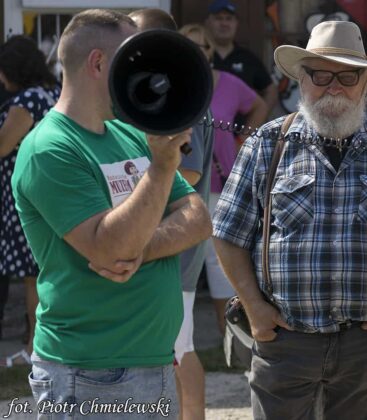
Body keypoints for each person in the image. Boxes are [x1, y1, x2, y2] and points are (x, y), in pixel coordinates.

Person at [212, 21, 367, 419]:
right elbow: (228, 235)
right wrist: (254, 308)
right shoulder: (267, 145)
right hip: (284, 341)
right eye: (320, 74)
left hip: (366, 346)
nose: (334, 86)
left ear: (366, 81)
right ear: (301, 78)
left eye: (348, 75)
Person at [12, 9, 212, 417]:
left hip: (153, 361)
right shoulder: (49, 148)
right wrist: (158, 169)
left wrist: (142, 245)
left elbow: (198, 217)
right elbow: (110, 247)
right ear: (99, 63)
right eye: (132, 58)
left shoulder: (129, 134)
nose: (146, 70)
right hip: (90, 374)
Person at [130, 10, 214, 420]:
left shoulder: (178, 90)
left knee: (178, 350)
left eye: (133, 37)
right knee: (180, 346)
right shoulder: (158, 88)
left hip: (174, 245)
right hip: (168, 240)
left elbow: (190, 167)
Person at [179, 23, 267, 336]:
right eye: (189, 45)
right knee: (188, 260)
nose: (197, 52)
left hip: (221, 182)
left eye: (202, 46)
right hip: (181, 190)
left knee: (221, 262)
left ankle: (227, 332)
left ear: (210, 52)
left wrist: (243, 140)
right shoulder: (174, 86)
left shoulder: (228, 83)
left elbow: (259, 105)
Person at [0, 35, 60, 359]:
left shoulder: (27, 100)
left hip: (25, 196)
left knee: (31, 275)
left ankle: (34, 344)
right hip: (51, 191)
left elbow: (2, 145)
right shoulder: (55, 92)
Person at [205, 0, 277, 116]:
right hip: (203, 130)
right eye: (218, 18)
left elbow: (271, 90)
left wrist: (257, 120)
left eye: (229, 19)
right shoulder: (201, 56)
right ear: (208, 22)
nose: (224, 23)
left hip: (239, 131)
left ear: (236, 23)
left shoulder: (248, 58)